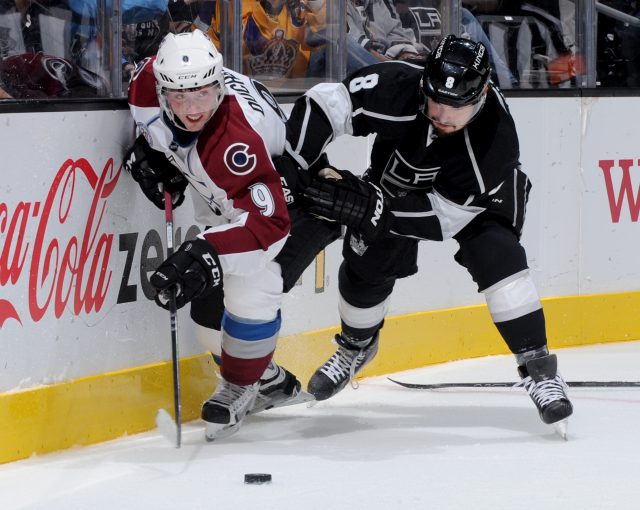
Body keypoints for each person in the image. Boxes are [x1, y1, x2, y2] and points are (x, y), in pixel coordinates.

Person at [286, 34, 574, 431]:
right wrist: (298, 166)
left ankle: (540, 370)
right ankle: (356, 347)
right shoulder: (399, 86)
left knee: (499, 258)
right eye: (435, 98)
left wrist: (369, 207)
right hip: (395, 183)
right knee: (365, 265)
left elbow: (442, 219)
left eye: (457, 106)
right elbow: (323, 105)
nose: (442, 113)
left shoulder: (495, 142)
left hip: (472, 204)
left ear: (483, 93)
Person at [125, 29, 338, 440]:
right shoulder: (147, 84)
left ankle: (241, 384)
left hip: (294, 200)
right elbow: (156, 116)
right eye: (179, 98)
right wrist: (153, 149)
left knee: (251, 283)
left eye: (202, 95)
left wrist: (205, 252)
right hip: (233, 200)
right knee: (207, 315)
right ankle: (270, 381)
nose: (191, 110)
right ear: (162, 88)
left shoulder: (234, 141)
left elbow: (269, 225)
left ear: (219, 85)